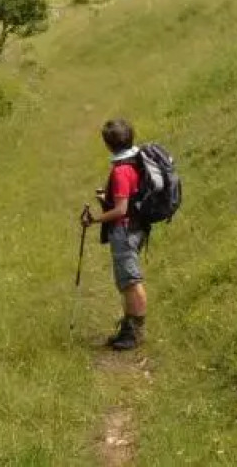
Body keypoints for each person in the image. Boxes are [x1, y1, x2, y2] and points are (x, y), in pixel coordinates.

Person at [82, 118, 148, 351]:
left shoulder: (121, 171)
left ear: (109, 145)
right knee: (128, 280)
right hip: (136, 227)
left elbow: (120, 211)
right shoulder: (135, 162)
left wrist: (94, 219)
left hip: (124, 231)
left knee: (131, 281)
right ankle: (129, 328)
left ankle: (136, 333)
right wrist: (105, 200)